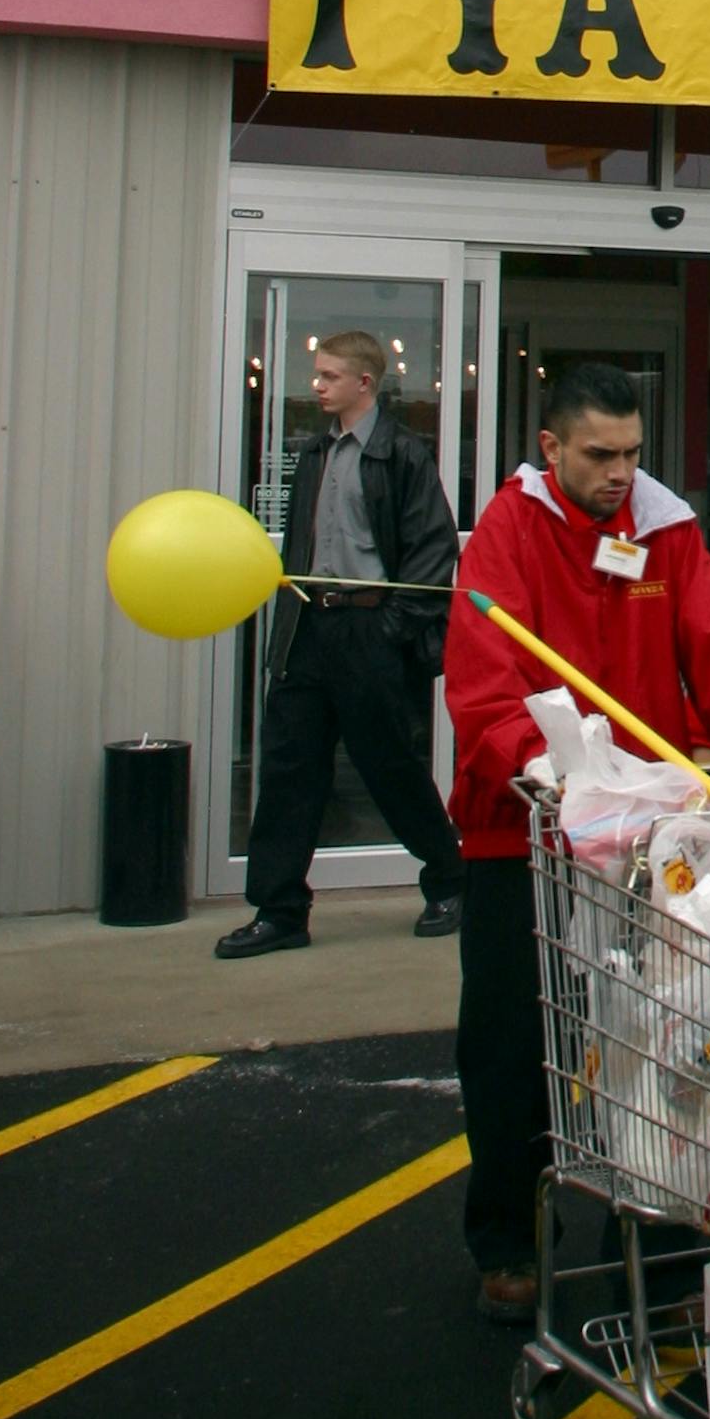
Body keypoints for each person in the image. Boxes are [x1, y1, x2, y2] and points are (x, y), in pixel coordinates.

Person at [442, 360, 710, 1325]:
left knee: (664, 1040)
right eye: (600, 456)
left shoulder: (664, 529)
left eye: (633, 454)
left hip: (648, 841)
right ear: (551, 447)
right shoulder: (506, 536)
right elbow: (483, 682)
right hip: (519, 832)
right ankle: (510, 1238)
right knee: (515, 1046)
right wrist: (545, 768)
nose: (619, 474)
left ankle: (663, 1235)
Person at [217, 329, 463, 960]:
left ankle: (449, 879)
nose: (316, 385)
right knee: (289, 766)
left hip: (369, 628)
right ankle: (279, 911)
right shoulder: (313, 454)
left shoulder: (402, 455)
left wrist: (390, 632)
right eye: (316, 374)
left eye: (328, 376)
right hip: (308, 626)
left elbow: (433, 556)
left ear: (364, 383)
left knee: (389, 766)